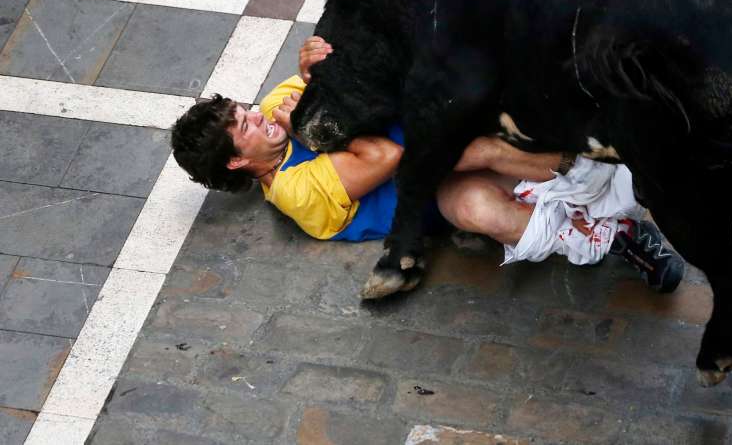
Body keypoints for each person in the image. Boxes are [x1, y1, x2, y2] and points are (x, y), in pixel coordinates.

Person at [171, 37, 684, 292]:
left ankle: (633, 179)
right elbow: (387, 156)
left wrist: (315, 68)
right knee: (476, 202)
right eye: (247, 127)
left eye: (246, 111)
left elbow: (354, 76)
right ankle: (615, 237)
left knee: (479, 139)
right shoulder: (294, 192)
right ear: (238, 161)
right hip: (432, 183)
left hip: (442, 131)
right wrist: (310, 110)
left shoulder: (273, 108)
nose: (260, 117)